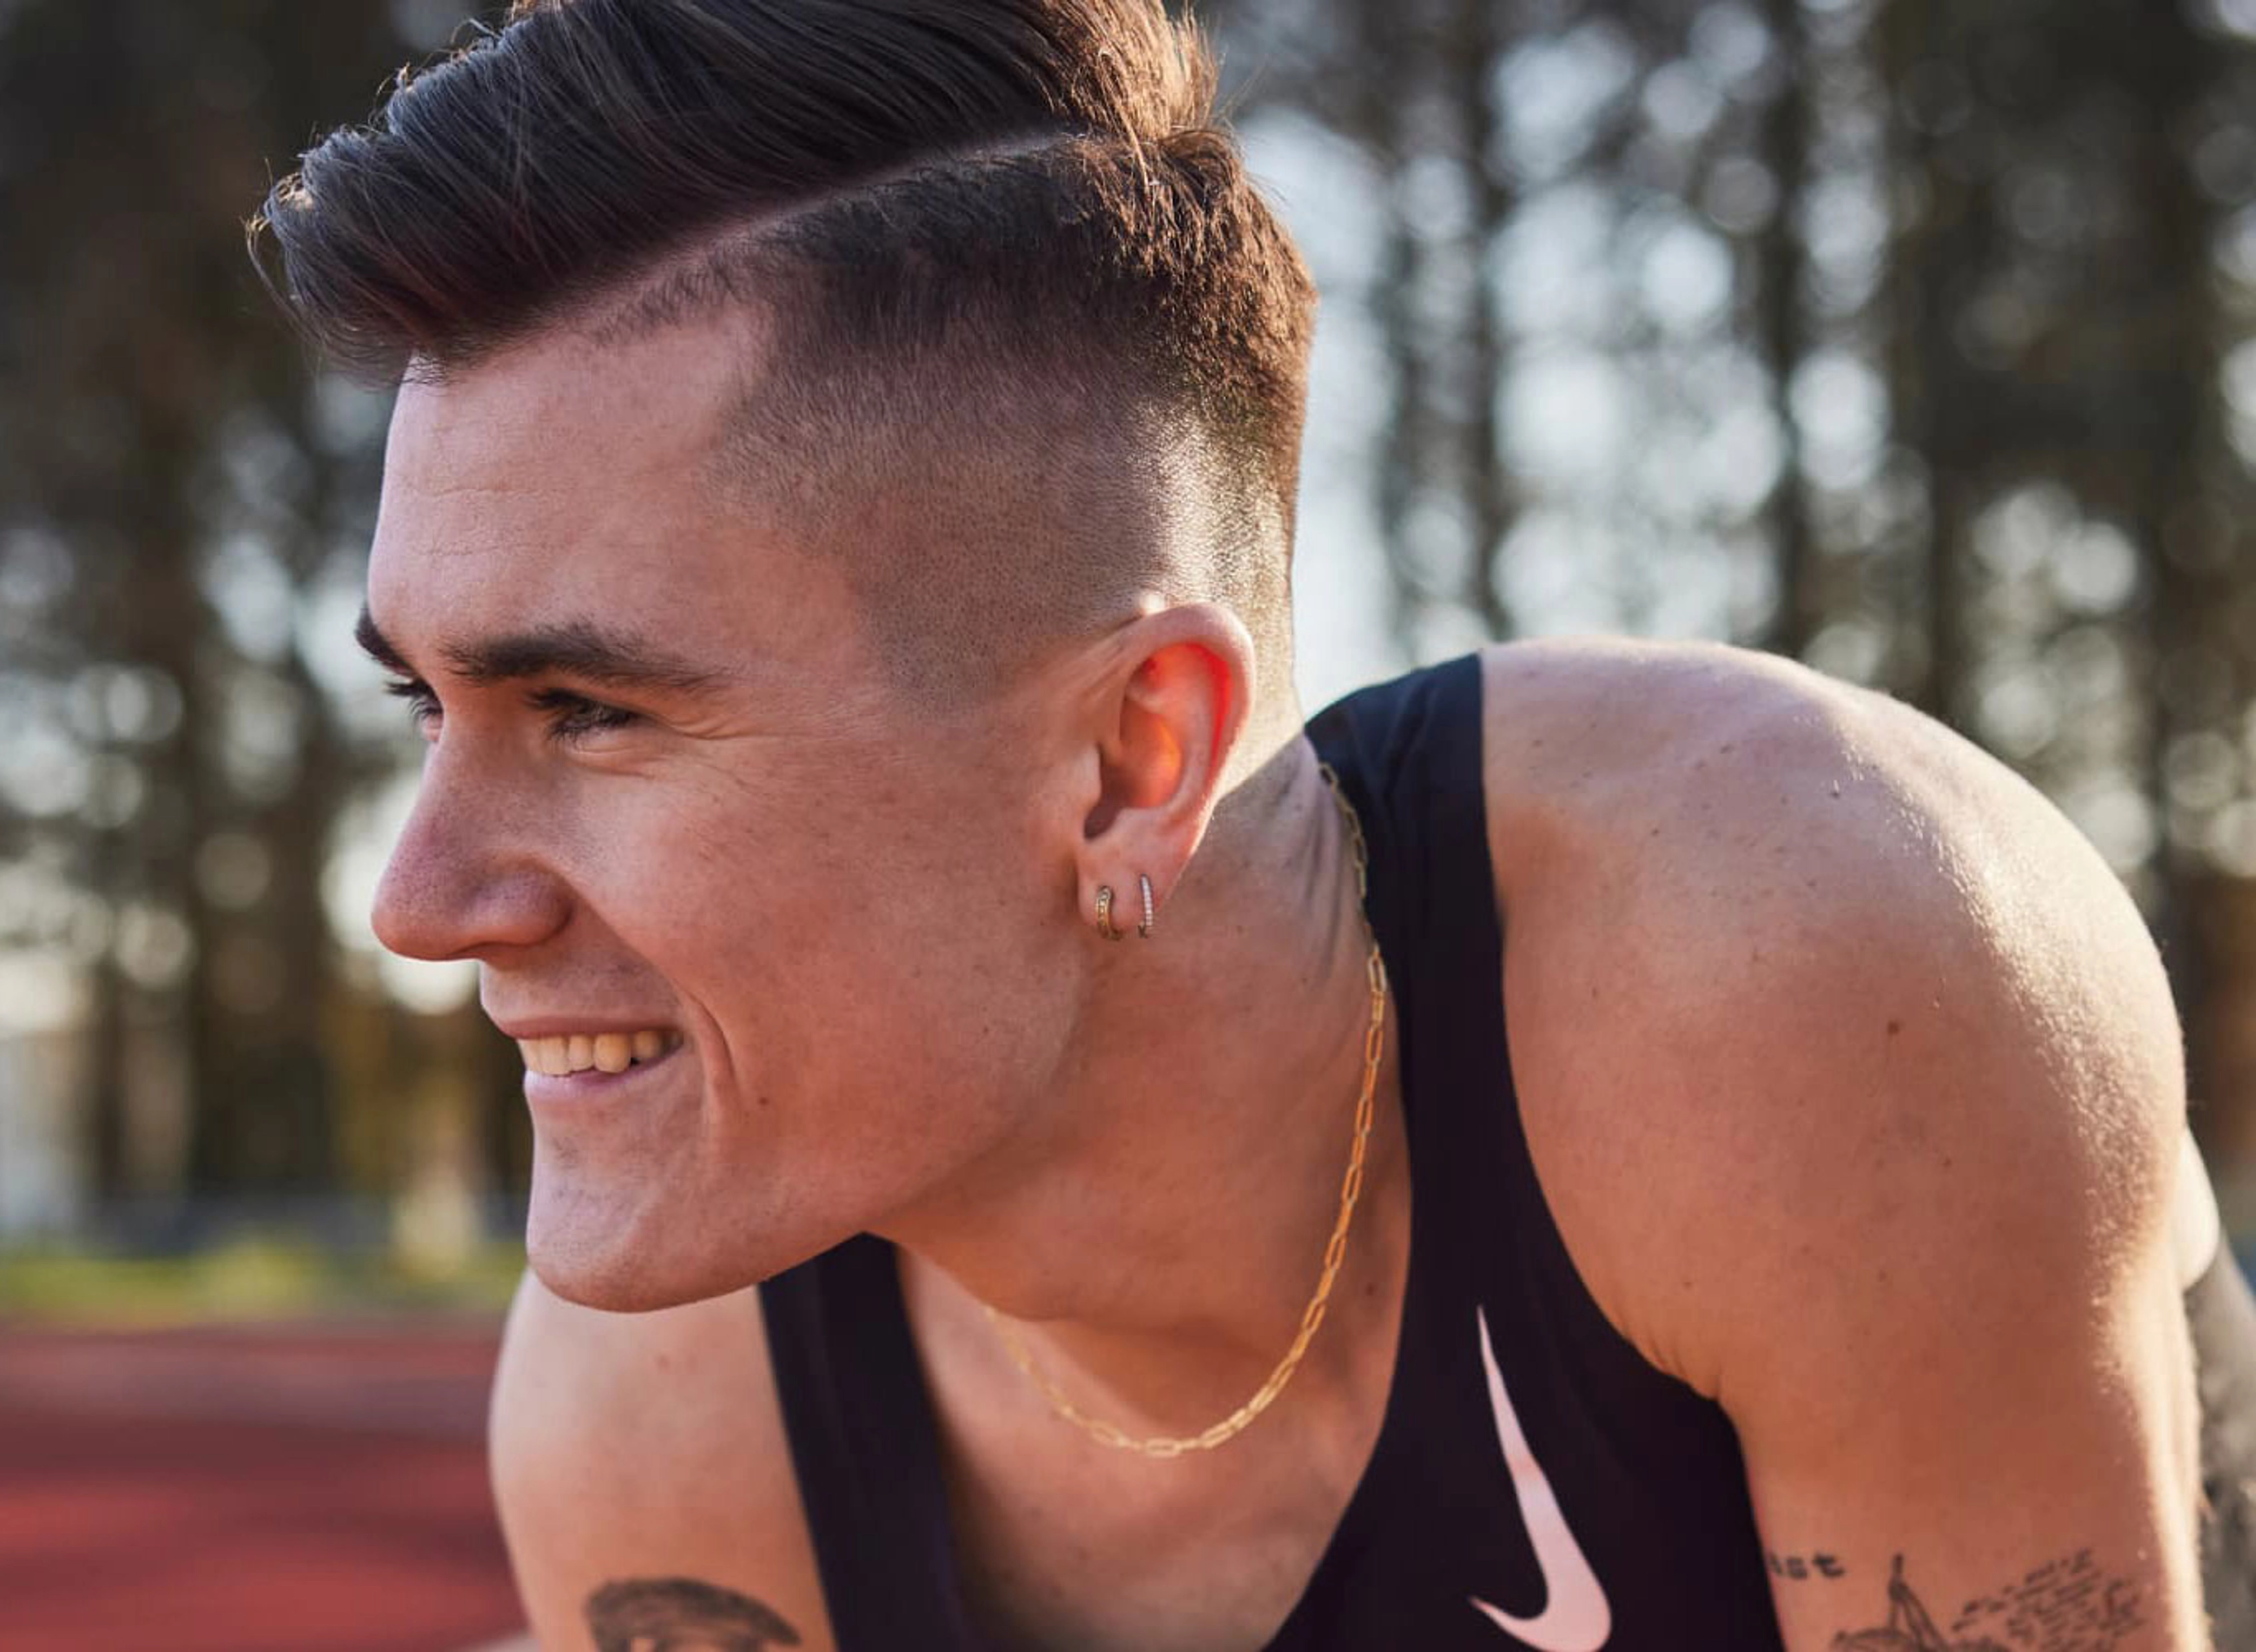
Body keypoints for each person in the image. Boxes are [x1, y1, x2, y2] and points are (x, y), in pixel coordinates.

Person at [250, 3, 2256, 1647]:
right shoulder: (670, 1409)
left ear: (1135, 760)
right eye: (427, 703)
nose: (417, 903)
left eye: (590, 711)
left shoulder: (1796, 973)